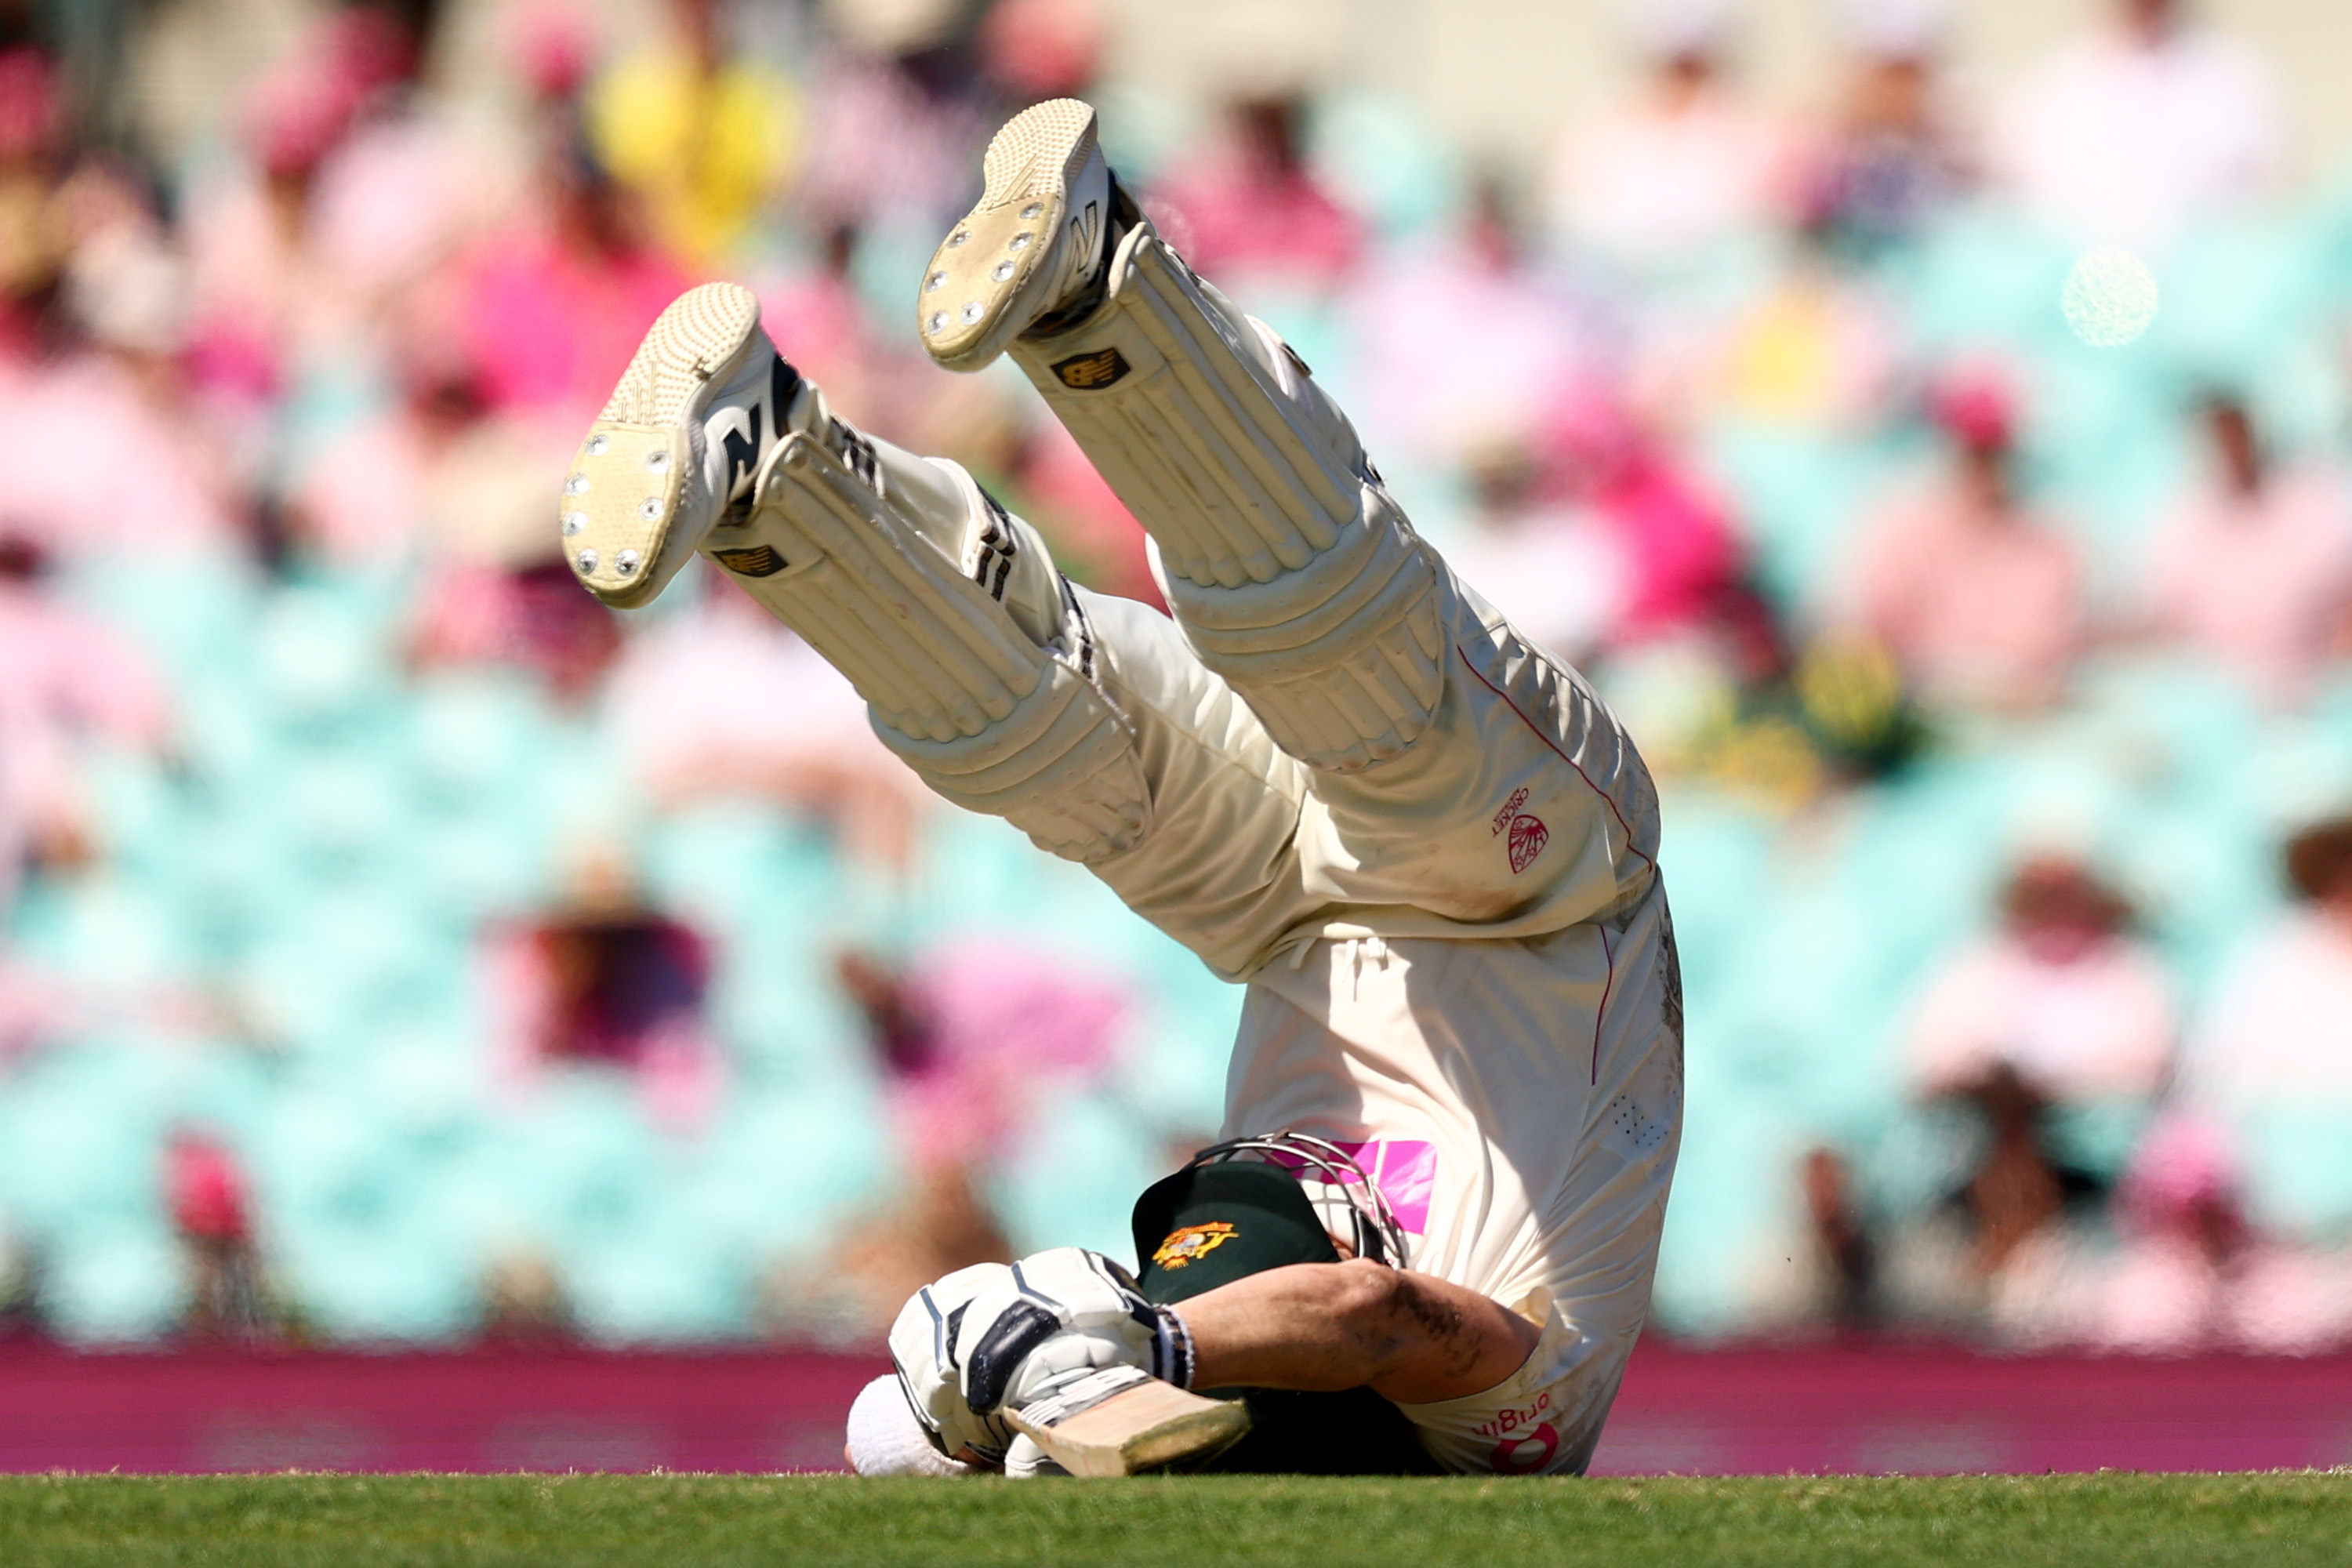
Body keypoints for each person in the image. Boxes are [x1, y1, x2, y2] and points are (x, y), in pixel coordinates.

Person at [558, 99, 1679, 1476]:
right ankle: (1099, 275)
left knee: (1045, 748)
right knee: (1337, 659)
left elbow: (1273, 1325)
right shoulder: (1504, 1429)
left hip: (1286, 925)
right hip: (1542, 891)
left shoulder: (1247, 1353)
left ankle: (767, 472)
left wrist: (1015, 1395)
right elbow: (1377, 1314)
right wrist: (1144, 1339)